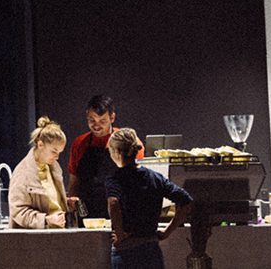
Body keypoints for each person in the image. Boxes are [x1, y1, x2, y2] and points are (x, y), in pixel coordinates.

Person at [106, 128, 193, 269]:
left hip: (127, 251)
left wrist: (120, 233)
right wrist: (167, 231)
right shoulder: (155, 177)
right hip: (152, 249)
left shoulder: (115, 178)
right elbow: (186, 202)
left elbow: (113, 202)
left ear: (116, 151)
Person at [67, 94, 142, 218]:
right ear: (86, 116)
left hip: (120, 212)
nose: (96, 125)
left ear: (112, 117)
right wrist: (72, 201)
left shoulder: (127, 141)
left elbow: (137, 180)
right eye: (92, 120)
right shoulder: (79, 143)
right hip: (87, 213)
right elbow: (74, 180)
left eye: (102, 121)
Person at [9, 116, 68, 229]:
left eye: (60, 152)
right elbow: (18, 211)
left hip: (56, 235)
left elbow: (51, 203)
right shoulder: (23, 172)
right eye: (54, 151)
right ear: (40, 145)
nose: (57, 157)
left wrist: (65, 201)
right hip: (34, 240)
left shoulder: (53, 167)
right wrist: (45, 220)